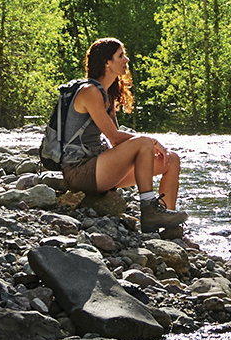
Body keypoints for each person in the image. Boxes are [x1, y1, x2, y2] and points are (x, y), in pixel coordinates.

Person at [60, 37, 187, 234]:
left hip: (99, 169)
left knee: (171, 160)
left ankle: (169, 223)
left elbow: (114, 142)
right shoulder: (90, 91)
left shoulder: (106, 95)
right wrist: (151, 142)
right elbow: (114, 137)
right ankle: (148, 211)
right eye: (121, 56)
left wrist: (145, 151)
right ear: (107, 62)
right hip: (80, 172)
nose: (126, 60)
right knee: (144, 142)